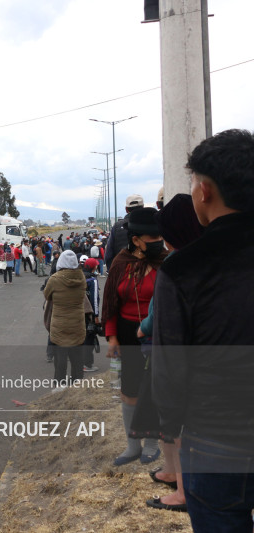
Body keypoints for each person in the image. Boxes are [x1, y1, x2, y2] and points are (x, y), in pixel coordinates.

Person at [151, 130, 254, 528]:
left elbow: (170, 367)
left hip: (215, 437)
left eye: (193, 183)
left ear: (205, 190)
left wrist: (172, 423)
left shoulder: (182, 268)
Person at [131, 194, 203, 514]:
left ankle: (183, 492)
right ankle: (175, 475)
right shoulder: (211, 256)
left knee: (177, 423)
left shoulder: (177, 264)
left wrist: (144, 328)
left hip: (177, 357)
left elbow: (162, 314)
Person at [101, 207, 166, 467]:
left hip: (158, 334)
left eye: (159, 237)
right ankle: (132, 445)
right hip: (128, 333)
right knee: (129, 390)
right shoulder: (121, 263)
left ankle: (152, 443)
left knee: (154, 390)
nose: (157, 242)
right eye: (152, 239)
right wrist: (112, 337)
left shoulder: (165, 262)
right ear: (136, 239)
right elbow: (110, 304)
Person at [43, 250, 86, 387]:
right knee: (77, 361)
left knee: (60, 363)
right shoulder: (82, 278)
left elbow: (47, 295)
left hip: (60, 325)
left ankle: (59, 390)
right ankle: (76, 389)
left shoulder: (55, 279)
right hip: (77, 324)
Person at [105, 194, 145, 270]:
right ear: (143, 207)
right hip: (145, 271)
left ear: (126, 209)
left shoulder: (117, 226)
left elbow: (109, 254)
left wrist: (113, 272)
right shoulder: (149, 224)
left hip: (121, 271)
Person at [82, 258, 101, 373]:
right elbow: (94, 299)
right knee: (88, 339)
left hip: (77, 312)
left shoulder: (79, 276)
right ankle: (87, 364)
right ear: (93, 267)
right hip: (88, 314)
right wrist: (96, 315)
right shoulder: (92, 280)